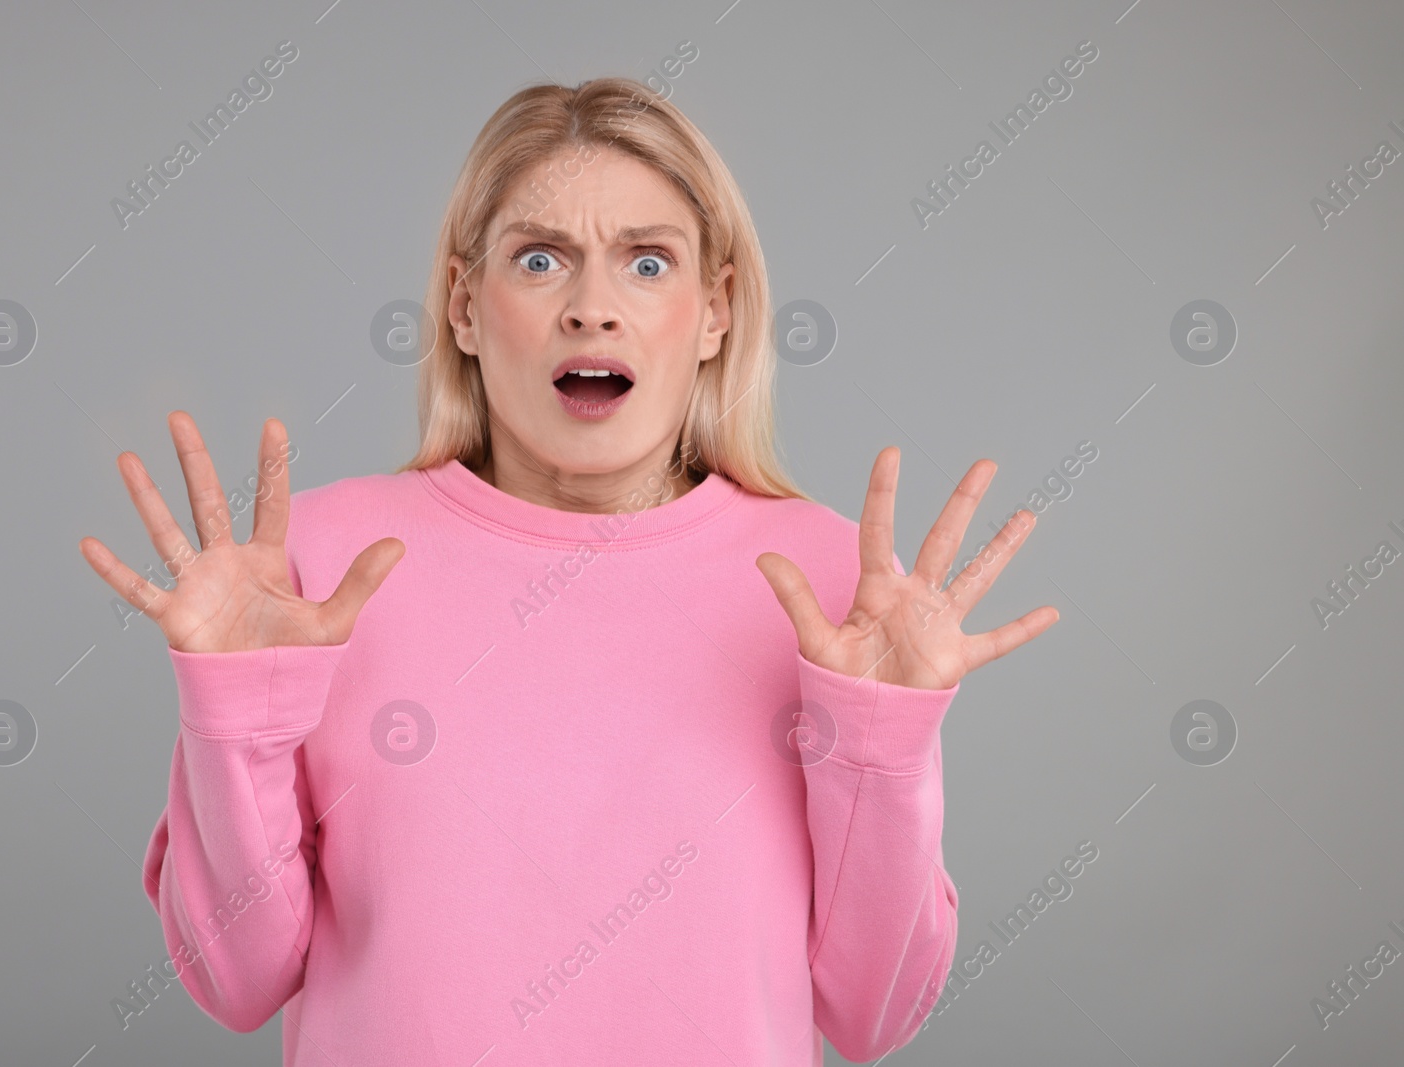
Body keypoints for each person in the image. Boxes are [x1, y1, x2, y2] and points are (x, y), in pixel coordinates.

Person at [79, 76, 1057, 1066]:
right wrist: (235, 715)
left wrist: (880, 747)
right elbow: (235, 981)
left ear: (714, 311)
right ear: (465, 306)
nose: (592, 308)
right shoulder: (313, 571)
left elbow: (872, 1015)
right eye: (540, 259)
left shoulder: (829, 584)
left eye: (646, 262)